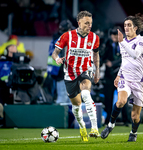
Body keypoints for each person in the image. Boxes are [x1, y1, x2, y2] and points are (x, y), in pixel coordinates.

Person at [51, 11, 100, 142]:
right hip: (70, 73)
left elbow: (96, 55)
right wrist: (57, 59)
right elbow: (55, 53)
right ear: (79, 23)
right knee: (77, 105)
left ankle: (95, 128)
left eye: (90, 23)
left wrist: (98, 71)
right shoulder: (67, 36)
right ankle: (82, 126)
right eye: (86, 23)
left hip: (86, 70)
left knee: (85, 94)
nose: (89, 26)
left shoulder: (94, 38)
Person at [101, 13, 143, 142]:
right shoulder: (123, 42)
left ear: (135, 28)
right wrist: (118, 75)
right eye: (125, 25)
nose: (126, 28)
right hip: (125, 78)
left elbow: (134, 54)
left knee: (135, 116)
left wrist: (122, 43)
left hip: (139, 81)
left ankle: (133, 132)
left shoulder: (142, 40)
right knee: (120, 102)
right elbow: (125, 61)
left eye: (129, 25)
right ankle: (110, 125)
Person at [101, 26, 130, 127]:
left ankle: (127, 120)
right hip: (109, 76)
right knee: (108, 99)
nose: (114, 37)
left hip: (121, 75)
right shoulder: (108, 44)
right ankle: (108, 120)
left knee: (123, 99)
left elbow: (126, 58)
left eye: (116, 35)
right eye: (112, 35)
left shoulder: (126, 44)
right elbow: (102, 57)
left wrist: (112, 63)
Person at [0, 45, 17, 127]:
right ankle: (0, 109)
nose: (14, 54)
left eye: (16, 52)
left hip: (16, 88)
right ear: (6, 52)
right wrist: (2, 82)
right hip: (3, 87)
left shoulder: (19, 63)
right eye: (12, 53)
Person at [47, 20, 73, 104]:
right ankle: (62, 116)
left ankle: (68, 116)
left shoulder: (56, 38)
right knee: (63, 96)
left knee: (67, 97)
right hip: (62, 71)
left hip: (57, 71)